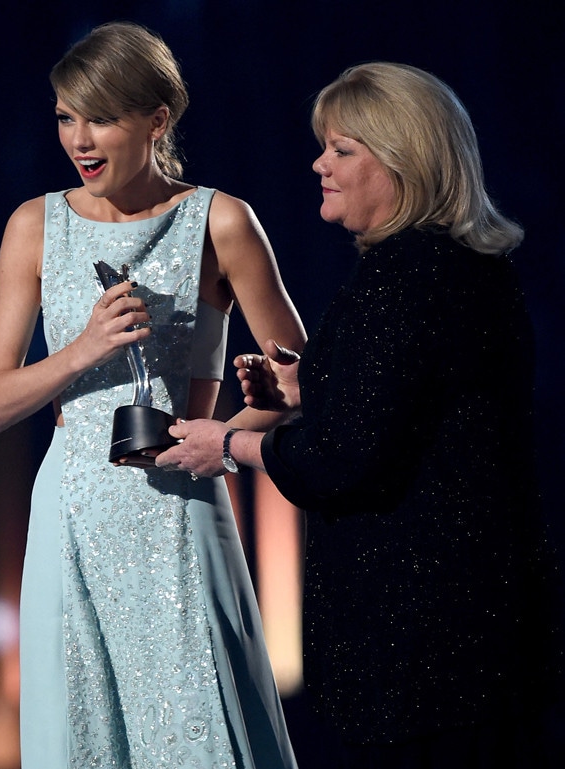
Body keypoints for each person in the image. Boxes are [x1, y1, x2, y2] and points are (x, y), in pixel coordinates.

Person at [156, 62, 563, 767]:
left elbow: (344, 463)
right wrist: (314, 390)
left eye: (343, 150)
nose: (320, 163)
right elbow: (428, 409)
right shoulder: (469, 267)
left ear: (404, 163)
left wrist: (227, 445)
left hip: (422, 654)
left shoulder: (399, 277)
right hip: (488, 646)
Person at [0, 21, 306, 769]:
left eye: (100, 117)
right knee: (81, 729)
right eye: (65, 116)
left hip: (181, 502)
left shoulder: (221, 221)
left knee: (201, 727)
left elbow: (302, 384)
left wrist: (219, 437)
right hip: (71, 506)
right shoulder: (34, 226)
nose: (79, 140)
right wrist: (84, 349)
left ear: (157, 121)